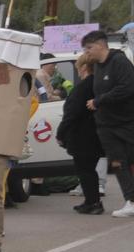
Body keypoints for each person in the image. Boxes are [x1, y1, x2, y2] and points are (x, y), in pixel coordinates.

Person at [82, 30, 134, 217]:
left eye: (89, 48)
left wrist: (99, 101)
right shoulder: (97, 67)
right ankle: (131, 201)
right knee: (118, 162)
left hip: (127, 122)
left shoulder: (119, 62)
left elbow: (127, 88)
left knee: (130, 160)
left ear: (100, 45)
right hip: (106, 126)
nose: (87, 53)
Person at [57, 54, 105, 215]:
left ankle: (93, 202)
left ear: (84, 67)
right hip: (96, 133)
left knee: (85, 170)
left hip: (82, 135)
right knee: (90, 169)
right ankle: (92, 200)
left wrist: (61, 132)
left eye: (78, 66)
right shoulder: (99, 84)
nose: (77, 69)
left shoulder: (84, 86)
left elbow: (72, 112)